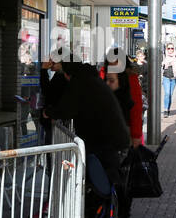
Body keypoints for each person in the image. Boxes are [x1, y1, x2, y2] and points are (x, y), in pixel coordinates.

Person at [43, 56, 132, 200]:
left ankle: (106, 216)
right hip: (112, 139)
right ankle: (110, 215)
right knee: (107, 184)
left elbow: (66, 109)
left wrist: (48, 112)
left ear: (67, 73)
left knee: (101, 186)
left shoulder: (79, 82)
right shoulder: (91, 79)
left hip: (105, 142)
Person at [102, 52, 143, 218]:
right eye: (111, 62)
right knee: (107, 173)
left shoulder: (130, 79)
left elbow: (136, 110)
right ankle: (106, 212)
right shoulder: (103, 76)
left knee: (123, 175)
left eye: (117, 62)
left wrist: (135, 136)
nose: (114, 65)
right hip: (105, 131)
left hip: (123, 132)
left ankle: (124, 213)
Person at [160, 42, 176, 115]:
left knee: (170, 94)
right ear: (166, 49)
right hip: (166, 77)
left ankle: (168, 108)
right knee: (167, 93)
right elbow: (160, 66)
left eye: (172, 48)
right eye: (169, 48)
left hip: (174, 77)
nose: (170, 50)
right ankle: (165, 110)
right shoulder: (164, 56)